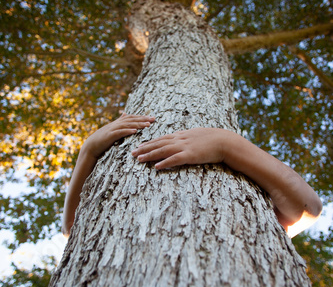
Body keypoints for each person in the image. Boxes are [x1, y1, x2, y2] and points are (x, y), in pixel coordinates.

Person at [62, 112, 322, 239]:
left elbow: (307, 207)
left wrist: (228, 144)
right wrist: (87, 152)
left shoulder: (267, 220)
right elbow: (71, 231)